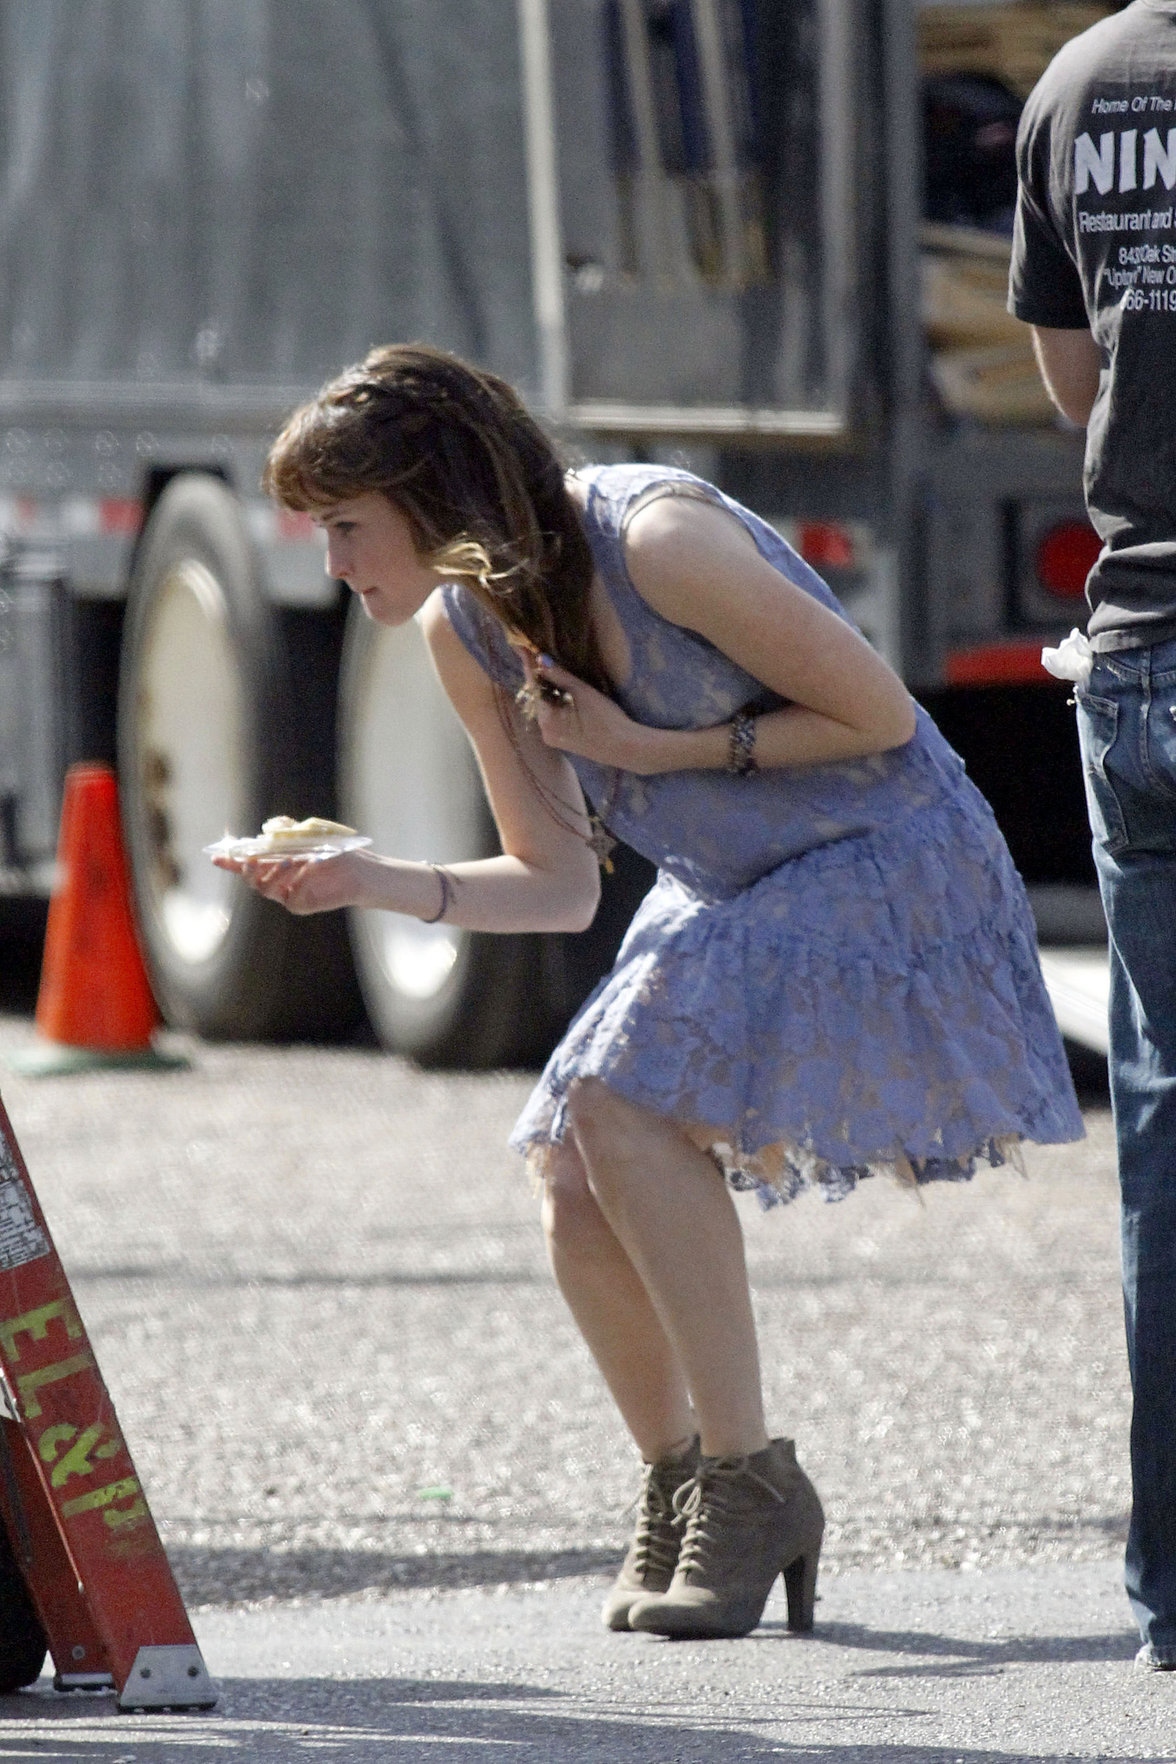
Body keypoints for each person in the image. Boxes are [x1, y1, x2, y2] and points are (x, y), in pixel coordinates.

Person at [217, 343, 1083, 1641]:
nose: (331, 564)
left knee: (620, 1103)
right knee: (568, 1158)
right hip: (735, 874)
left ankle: (751, 1484)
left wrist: (648, 748)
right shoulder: (467, 628)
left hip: (886, 854)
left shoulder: (657, 539)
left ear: (433, 490)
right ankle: (686, 1481)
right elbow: (557, 881)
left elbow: (882, 723)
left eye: (345, 526)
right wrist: (368, 878)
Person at [1009, 0, 1176, 1674]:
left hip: (1136, 660)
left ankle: (1172, 1599)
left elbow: (1076, 382)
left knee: (1165, 1145)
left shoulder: (1079, 84)